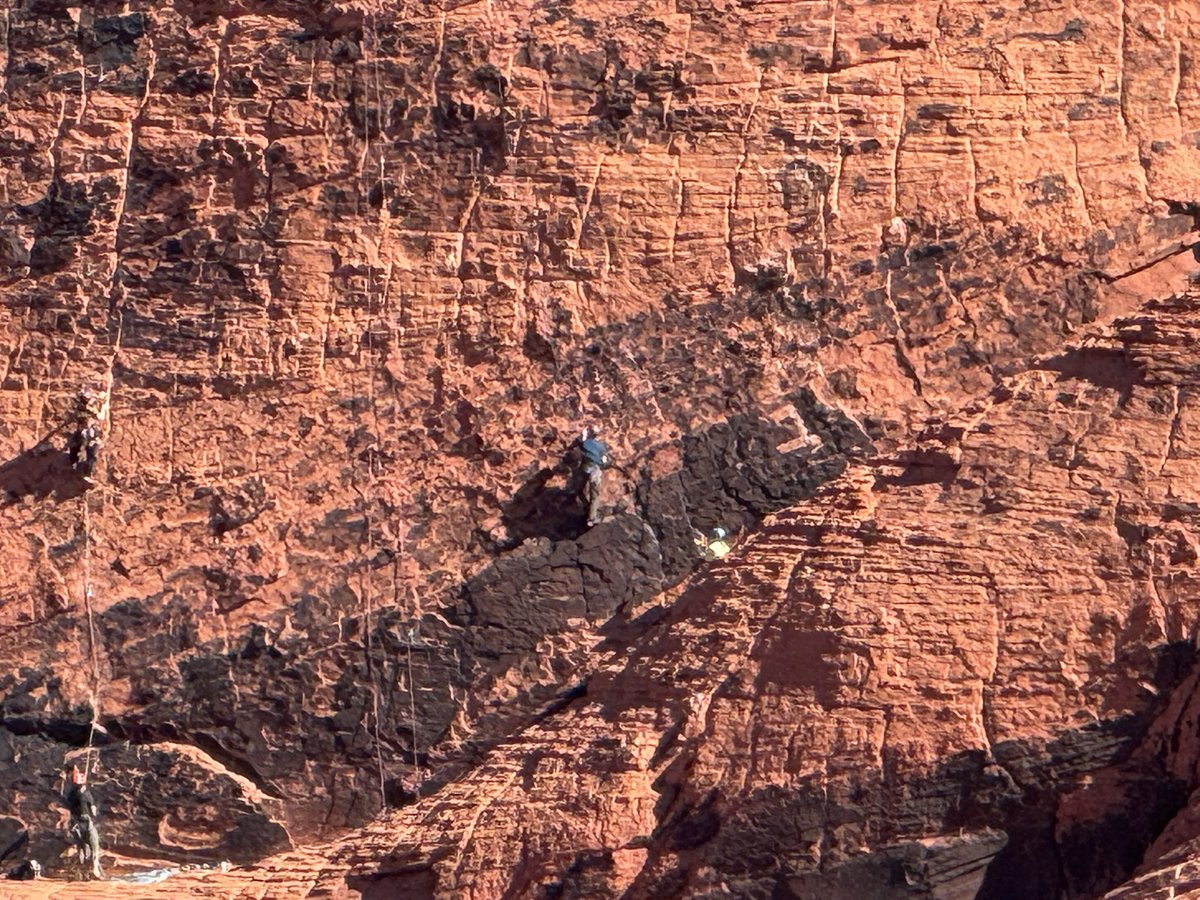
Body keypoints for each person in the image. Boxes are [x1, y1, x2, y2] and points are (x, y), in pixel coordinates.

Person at [65, 766, 102, 879]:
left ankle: (93, 868)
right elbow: (71, 807)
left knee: (94, 844)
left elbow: (93, 806)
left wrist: (94, 809)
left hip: (88, 821)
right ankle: (83, 872)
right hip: (78, 822)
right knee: (82, 847)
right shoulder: (73, 794)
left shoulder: (87, 793)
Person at [577, 426, 611, 527]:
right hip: (595, 472)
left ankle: (587, 509)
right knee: (594, 496)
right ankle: (591, 518)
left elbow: (581, 441)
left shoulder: (586, 443)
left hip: (584, 470)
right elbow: (605, 462)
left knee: (581, 491)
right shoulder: (601, 447)